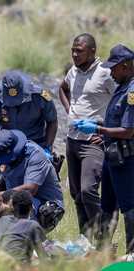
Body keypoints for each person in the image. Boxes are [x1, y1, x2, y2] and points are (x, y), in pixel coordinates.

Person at [75, 44, 134, 253]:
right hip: (112, 157)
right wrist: (100, 127)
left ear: (126, 66)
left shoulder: (132, 91)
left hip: (126, 159)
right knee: (108, 206)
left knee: (129, 207)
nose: (110, 72)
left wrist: (99, 129)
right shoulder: (121, 85)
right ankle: (104, 251)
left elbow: (128, 131)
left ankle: (131, 254)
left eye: (114, 67)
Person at [59, 33, 116, 241]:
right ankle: (85, 238)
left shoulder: (105, 73)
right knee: (76, 194)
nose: (74, 54)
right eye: (73, 50)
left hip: (93, 142)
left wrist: (107, 130)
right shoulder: (73, 72)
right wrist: (70, 110)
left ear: (92, 51)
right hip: (72, 139)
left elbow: (121, 101)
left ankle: (103, 239)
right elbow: (62, 89)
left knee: (88, 190)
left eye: (79, 51)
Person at [0, 129, 65, 231]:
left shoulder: (35, 156)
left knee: (22, 202)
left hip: (45, 206)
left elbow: (30, 190)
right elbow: (3, 182)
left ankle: (25, 239)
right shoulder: (6, 159)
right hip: (15, 199)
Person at [0, 70, 58, 157]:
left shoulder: (39, 97)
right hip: (9, 147)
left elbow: (52, 121)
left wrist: (48, 148)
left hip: (37, 144)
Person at [0, 190, 48, 264]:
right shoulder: (32, 225)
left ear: (12, 205)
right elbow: (43, 257)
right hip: (18, 270)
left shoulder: (3, 220)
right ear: (31, 207)